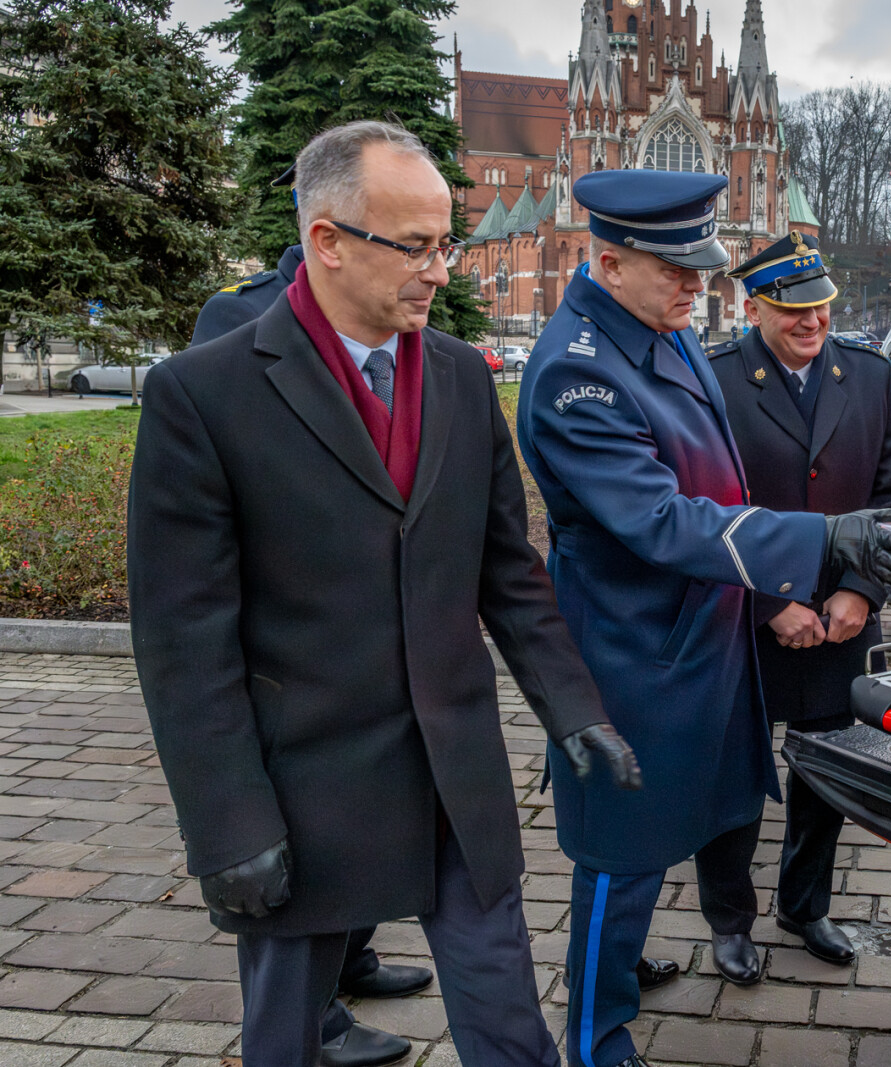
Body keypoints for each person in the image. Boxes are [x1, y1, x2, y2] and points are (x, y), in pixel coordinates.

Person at [129, 120, 641, 1067]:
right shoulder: (204, 396)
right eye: (413, 246)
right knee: (286, 1032)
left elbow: (506, 571)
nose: (441, 269)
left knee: (507, 1015)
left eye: (445, 242)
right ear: (326, 240)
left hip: (458, 769)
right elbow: (182, 643)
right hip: (304, 788)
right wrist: (227, 823)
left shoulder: (457, 376)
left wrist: (572, 706)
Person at [516, 169, 891, 1067]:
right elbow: (662, 519)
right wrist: (825, 541)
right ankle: (595, 1039)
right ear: (611, 260)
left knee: (688, 818)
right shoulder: (578, 372)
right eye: (677, 270)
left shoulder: (656, 332)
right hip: (636, 652)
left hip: (703, 637)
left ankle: (621, 966)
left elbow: (725, 482)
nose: (696, 286)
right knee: (620, 855)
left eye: (701, 269)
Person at [187, 166, 430, 1067]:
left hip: (376, 650)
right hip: (286, 639)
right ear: (326, 227)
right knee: (293, 883)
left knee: (360, 831)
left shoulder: (400, 318)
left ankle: (355, 959)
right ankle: (312, 1022)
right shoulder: (240, 314)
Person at [703, 231, 891, 968]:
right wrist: (766, 603)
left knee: (823, 768)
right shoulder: (713, 379)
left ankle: (805, 905)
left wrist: (861, 590)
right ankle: (729, 920)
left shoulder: (869, 374)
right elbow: (699, 509)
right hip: (744, 616)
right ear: (753, 305)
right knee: (729, 774)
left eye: (821, 306)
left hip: (839, 616)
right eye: (793, 310)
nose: (812, 322)